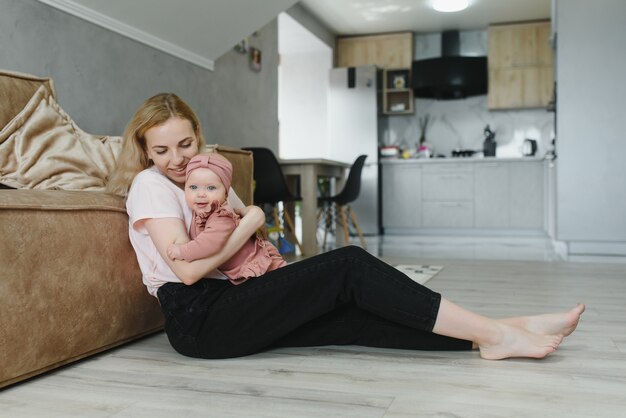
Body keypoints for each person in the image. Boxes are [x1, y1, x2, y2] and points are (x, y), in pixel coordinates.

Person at [107, 93, 585, 361]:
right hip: (199, 319)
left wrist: (248, 226)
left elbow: (246, 241)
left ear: (198, 136)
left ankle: (498, 332)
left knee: (352, 315)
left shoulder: (203, 177)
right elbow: (187, 272)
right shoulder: (150, 186)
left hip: (236, 296)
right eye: (162, 150)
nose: (176, 159)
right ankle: (500, 334)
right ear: (146, 150)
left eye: (185, 144)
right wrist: (250, 218)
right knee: (350, 266)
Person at [166, 153, 286, 285]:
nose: (200, 194)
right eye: (193, 187)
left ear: (226, 193)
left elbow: (208, 244)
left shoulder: (222, 216)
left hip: (266, 267)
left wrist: (181, 251)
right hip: (251, 274)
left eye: (211, 188)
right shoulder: (201, 214)